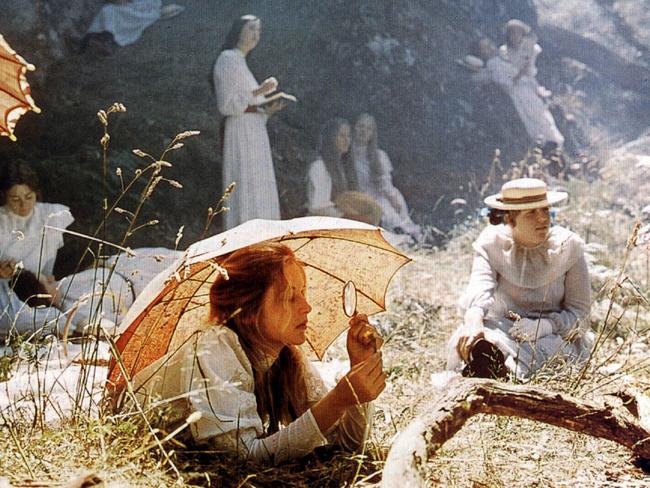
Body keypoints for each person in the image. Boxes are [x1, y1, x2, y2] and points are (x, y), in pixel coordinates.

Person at [125, 242, 386, 464]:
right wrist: (338, 399)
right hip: (135, 443)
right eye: (288, 297)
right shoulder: (214, 346)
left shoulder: (285, 355)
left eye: (304, 293)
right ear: (249, 309)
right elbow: (242, 458)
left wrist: (358, 371)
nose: (306, 307)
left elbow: (346, 448)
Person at [446, 178, 592, 379]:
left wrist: (546, 325)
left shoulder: (568, 247)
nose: (543, 219)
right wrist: (473, 322)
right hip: (505, 329)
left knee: (545, 349)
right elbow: (480, 287)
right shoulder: (492, 243)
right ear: (509, 218)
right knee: (472, 340)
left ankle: (504, 374)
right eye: (531, 213)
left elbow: (581, 315)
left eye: (545, 210)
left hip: (553, 334)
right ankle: (486, 363)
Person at [1, 248, 182, 338]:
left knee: (191, 253)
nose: (50, 277)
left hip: (128, 262)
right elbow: (114, 325)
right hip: (144, 284)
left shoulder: (62, 284)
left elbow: (16, 267)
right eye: (45, 282)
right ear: (43, 294)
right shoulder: (75, 312)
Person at [213, 15, 284, 230]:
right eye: (251, 28)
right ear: (239, 31)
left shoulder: (243, 64)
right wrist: (260, 91)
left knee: (260, 184)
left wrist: (268, 111)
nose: (256, 35)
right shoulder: (227, 59)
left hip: (255, 130)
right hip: (240, 131)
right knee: (245, 182)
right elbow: (227, 105)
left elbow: (251, 105)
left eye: (259, 30)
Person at [473, 37, 564, 152]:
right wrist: (521, 72)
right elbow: (506, 83)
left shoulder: (504, 57)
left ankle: (556, 149)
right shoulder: (493, 64)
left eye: (490, 44)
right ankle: (549, 149)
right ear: (482, 54)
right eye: (485, 48)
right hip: (520, 95)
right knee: (536, 121)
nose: (490, 48)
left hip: (529, 91)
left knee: (545, 119)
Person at [350, 113, 422, 240]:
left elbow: (385, 187)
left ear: (372, 133)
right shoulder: (347, 156)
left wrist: (394, 201)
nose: (363, 131)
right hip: (356, 199)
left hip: (380, 197)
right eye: (360, 126)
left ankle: (407, 237)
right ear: (353, 128)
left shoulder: (379, 156)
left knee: (389, 215)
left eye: (368, 128)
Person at [0, 161, 74, 280]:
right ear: (4, 195)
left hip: (37, 288)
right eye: (15, 199)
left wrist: (47, 281)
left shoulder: (50, 215)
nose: (23, 204)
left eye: (29, 197)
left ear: (36, 193)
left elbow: (49, 271)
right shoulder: (2, 220)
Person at [307, 118, 382, 226]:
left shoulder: (346, 168)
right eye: (342, 136)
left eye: (348, 136)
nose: (347, 140)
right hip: (321, 225)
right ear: (331, 138)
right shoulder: (319, 167)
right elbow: (318, 207)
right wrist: (350, 219)